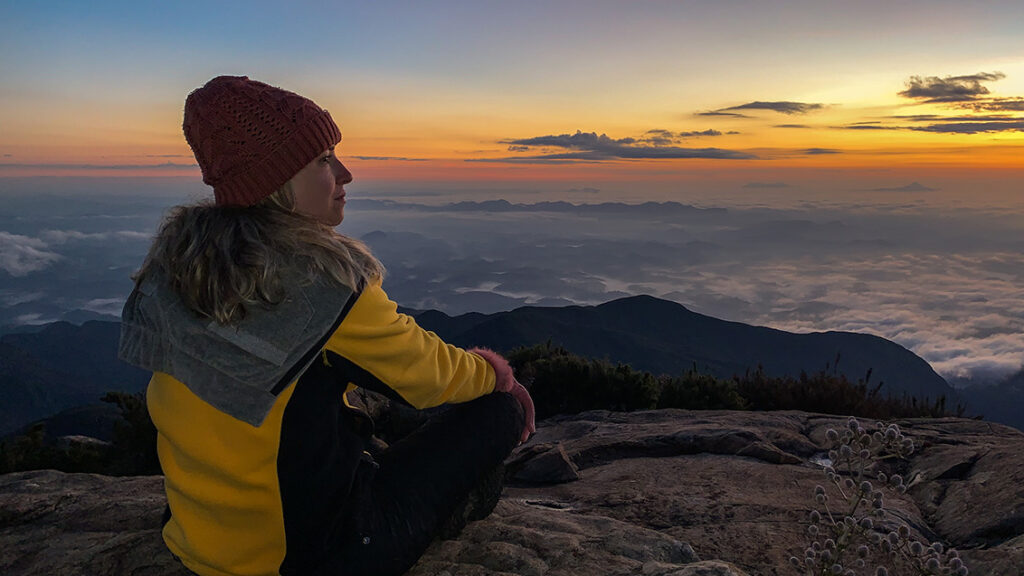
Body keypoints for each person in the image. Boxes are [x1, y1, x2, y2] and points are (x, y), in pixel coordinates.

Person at [119, 75, 536, 576]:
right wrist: (498, 375)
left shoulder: (182, 266)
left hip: (195, 535)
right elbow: (428, 376)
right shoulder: (318, 282)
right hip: (308, 556)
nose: (345, 173)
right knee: (499, 412)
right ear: (274, 181)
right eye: (321, 159)